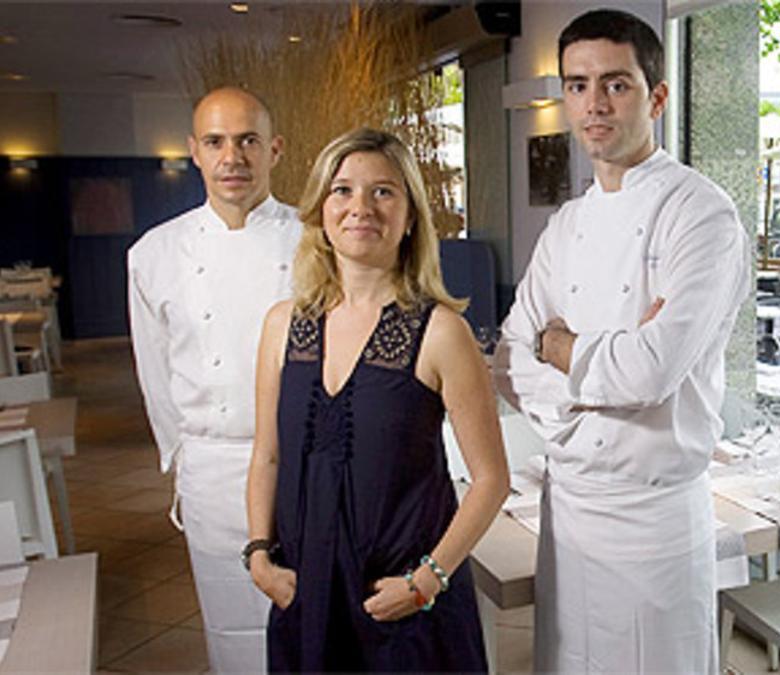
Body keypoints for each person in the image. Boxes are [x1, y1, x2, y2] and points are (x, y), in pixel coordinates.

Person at [492, 9, 749, 673]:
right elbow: (509, 360)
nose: (593, 104)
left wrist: (562, 347)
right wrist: (594, 381)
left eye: (616, 84)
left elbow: (651, 371)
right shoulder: (566, 224)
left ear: (657, 97)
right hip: (569, 508)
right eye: (577, 85)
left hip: (654, 519)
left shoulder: (703, 214)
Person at [245, 127, 508, 672]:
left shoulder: (440, 332)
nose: (360, 206)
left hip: (402, 604)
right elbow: (267, 455)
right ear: (320, 209)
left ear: (410, 216)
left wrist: (426, 580)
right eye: (342, 190)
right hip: (307, 592)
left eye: (384, 191)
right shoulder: (281, 325)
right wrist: (258, 555)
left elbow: (490, 480)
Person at [128, 86, 300, 672]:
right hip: (211, 467)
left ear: (274, 149)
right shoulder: (154, 253)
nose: (233, 157)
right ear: (194, 152)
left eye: (248, 140)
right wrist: (182, 458)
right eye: (216, 142)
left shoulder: (316, 243)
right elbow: (154, 371)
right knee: (230, 627)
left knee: (307, 619)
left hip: (302, 463)